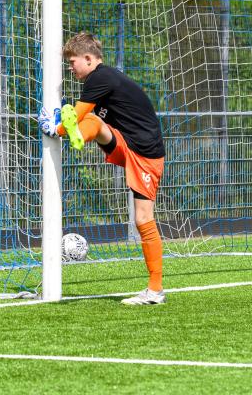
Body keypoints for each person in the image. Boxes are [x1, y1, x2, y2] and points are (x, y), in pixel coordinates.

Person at [39, 32, 166, 305]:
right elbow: (88, 117)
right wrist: (65, 124)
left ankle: (155, 290)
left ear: (88, 58)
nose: (70, 68)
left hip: (145, 153)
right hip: (125, 143)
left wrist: (57, 127)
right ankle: (74, 135)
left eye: (72, 62)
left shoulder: (100, 77)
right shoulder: (104, 78)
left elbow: (82, 112)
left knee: (143, 220)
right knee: (95, 124)